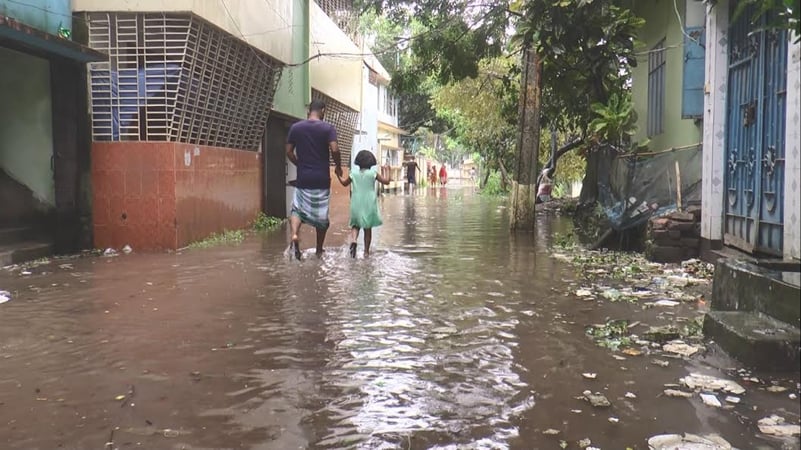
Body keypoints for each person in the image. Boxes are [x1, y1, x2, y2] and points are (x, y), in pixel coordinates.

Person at [286, 99, 342, 260]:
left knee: (297, 209)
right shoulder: (328, 128)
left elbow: (289, 151)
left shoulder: (296, 128)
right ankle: (319, 250)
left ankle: (295, 235)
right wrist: (338, 166)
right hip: (321, 179)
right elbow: (335, 149)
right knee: (322, 217)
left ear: (308, 112)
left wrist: (300, 164)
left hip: (303, 178)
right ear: (323, 111)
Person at [336, 150, 390, 258]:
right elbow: (386, 181)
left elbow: (344, 183)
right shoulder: (373, 174)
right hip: (369, 202)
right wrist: (387, 170)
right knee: (367, 227)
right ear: (371, 163)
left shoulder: (353, 174)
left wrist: (338, 175)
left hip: (356, 201)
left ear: (358, 162)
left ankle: (354, 241)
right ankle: (366, 252)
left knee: (355, 225)